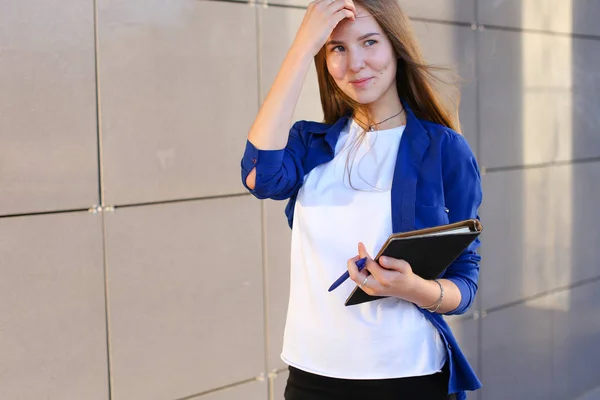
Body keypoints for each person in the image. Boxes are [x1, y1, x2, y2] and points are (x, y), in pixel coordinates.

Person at [240, 0, 483, 398]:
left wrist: (412, 289)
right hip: (311, 374)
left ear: (395, 47)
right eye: (337, 48)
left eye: (369, 42)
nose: (355, 63)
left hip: (408, 375)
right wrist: (302, 47)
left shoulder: (443, 149)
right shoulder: (308, 142)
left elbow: (464, 281)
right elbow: (259, 177)